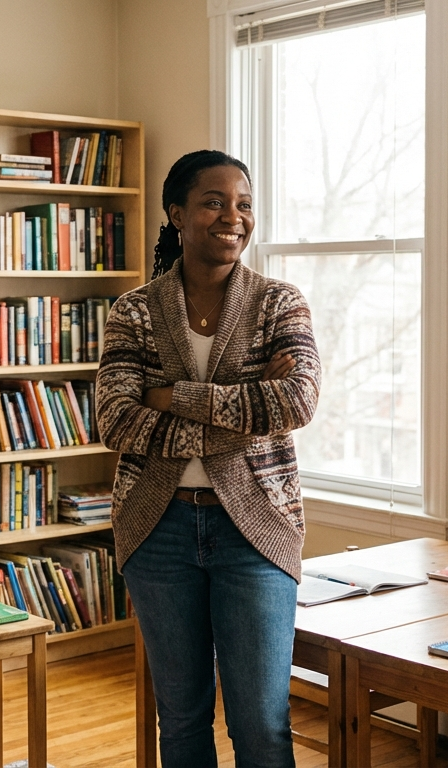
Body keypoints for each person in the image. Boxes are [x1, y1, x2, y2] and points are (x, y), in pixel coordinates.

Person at [96, 150, 320, 767]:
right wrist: (245, 411)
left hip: (256, 529)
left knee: (261, 725)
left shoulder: (279, 302)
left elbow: (297, 401)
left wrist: (173, 397)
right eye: (214, 202)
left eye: (243, 204)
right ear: (177, 214)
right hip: (157, 527)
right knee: (184, 721)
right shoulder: (135, 311)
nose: (233, 216)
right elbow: (115, 418)